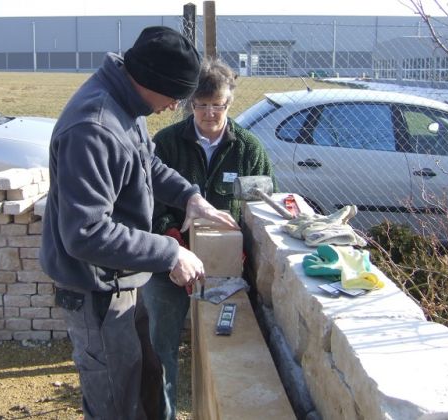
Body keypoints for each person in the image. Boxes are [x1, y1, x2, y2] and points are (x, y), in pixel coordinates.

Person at [39, 26, 238, 420]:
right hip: (96, 291)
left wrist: (190, 197)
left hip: (125, 278)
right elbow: (86, 233)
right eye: (175, 98)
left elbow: (145, 163)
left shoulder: (126, 102)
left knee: (145, 380)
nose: (172, 108)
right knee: (116, 401)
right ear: (152, 81)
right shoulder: (94, 129)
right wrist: (170, 253)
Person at [141, 57, 278, 419]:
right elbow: (148, 206)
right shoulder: (167, 144)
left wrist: (244, 254)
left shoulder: (248, 150)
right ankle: (163, 414)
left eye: (217, 105)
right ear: (190, 104)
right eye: (201, 105)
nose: (209, 114)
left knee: (226, 346)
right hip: (169, 263)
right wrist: (172, 245)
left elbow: (262, 209)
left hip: (228, 271)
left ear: (229, 104)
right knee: (160, 348)